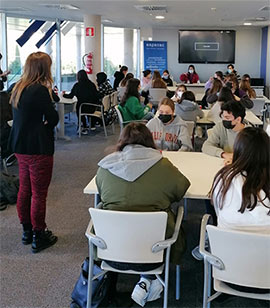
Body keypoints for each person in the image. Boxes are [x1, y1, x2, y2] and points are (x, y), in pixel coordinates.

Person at [96, 122, 190, 306]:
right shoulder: (162, 165)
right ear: (150, 140)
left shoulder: (105, 168)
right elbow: (181, 190)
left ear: (122, 141)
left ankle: (146, 280)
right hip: (157, 249)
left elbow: (101, 195)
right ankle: (150, 278)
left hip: (111, 250)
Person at [8, 52, 59, 253]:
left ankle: (27, 231)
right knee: (39, 193)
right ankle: (39, 234)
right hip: (38, 147)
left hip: (20, 147)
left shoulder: (17, 87)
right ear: (43, 69)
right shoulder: (39, 90)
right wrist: (45, 125)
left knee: (25, 189)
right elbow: (53, 118)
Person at [210, 127, 270, 233]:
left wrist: (233, 167)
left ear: (237, 150)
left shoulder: (224, 179)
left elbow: (218, 209)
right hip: (265, 248)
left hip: (226, 246)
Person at [202, 100, 247, 165]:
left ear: (238, 119)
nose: (224, 120)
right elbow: (206, 146)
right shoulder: (220, 127)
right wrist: (223, 154)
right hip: (222, 163)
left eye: (227, 118)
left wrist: (234, 158)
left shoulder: (250, 133)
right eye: (223, 116)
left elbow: (252, 155)